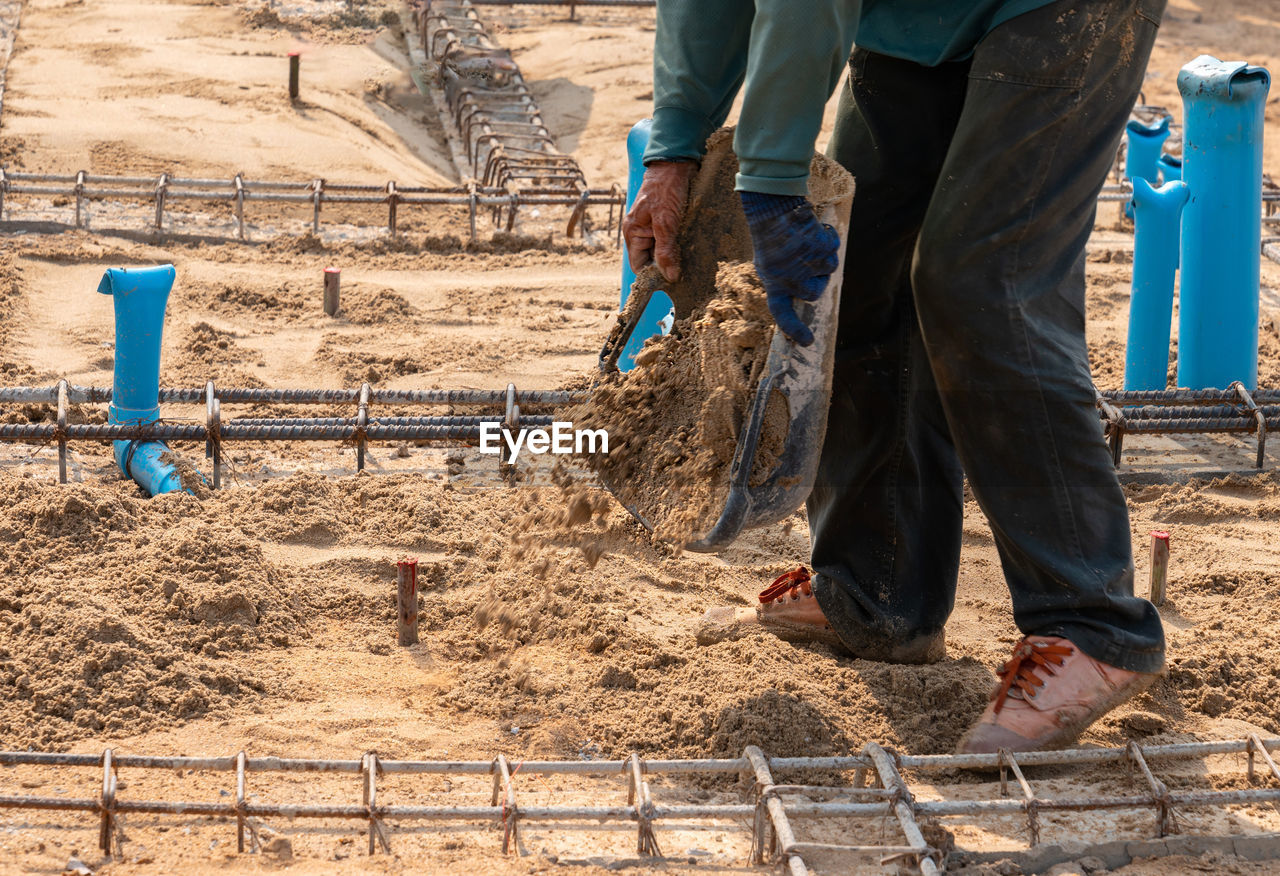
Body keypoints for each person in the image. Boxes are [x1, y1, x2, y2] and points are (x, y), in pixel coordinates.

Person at [622, 0, 1168, 753]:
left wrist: (774, 182)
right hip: (918, 15)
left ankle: (1092, 624)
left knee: (979, 276)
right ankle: (879, 592)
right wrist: (673, 149)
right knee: (862, 259)